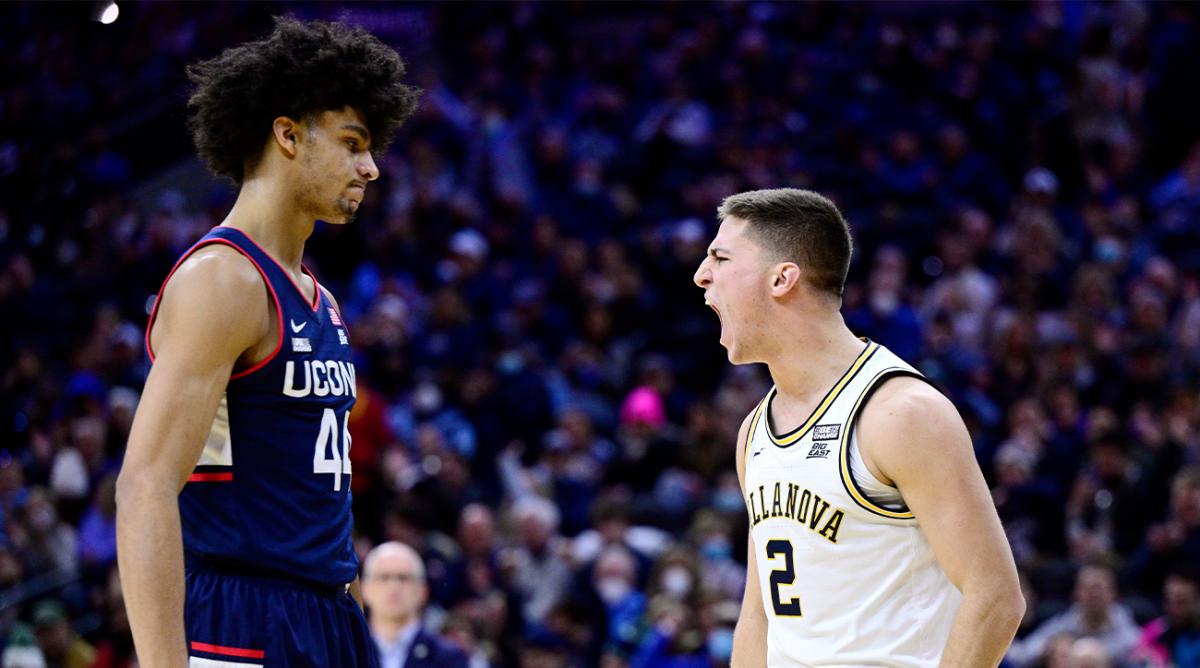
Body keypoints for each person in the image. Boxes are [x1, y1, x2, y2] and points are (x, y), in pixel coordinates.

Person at [114, 17, 418, 666]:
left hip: (329, 613)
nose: (370, 168)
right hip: (244, 616)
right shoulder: (222, 279)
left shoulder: (321, 299)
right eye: (352, 143)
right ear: (288, 135)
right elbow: (145, 486)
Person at [692, 188, 1024, 666]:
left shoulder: (900, 413)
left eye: (721, 258)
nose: (702, 274)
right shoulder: (754, 432)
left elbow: (995, 596)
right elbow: (759, 615)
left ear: (782, 278)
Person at [1006, 562, 1140, 666]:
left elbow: (1143, 656)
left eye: (1100, 588)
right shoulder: (1065, 622)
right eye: (1088, 589)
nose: (1094, 594)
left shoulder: (1127, 628)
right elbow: (1025, 653)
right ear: (1076, 593)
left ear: (1114, 594)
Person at [361, 541, 470, 668]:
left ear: (423, 591)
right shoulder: (347, 654)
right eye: (384, 577)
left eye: (403, 578)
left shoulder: (449, 658)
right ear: (365, 589)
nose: (393, 586)